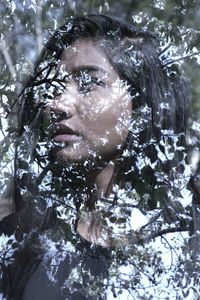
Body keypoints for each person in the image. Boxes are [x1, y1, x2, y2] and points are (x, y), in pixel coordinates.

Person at [0, 14, 191, 299]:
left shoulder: (189, 243)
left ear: (141, 104)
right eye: (52, 87)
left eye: (89, 82)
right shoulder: (17, 239)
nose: (57, 104)